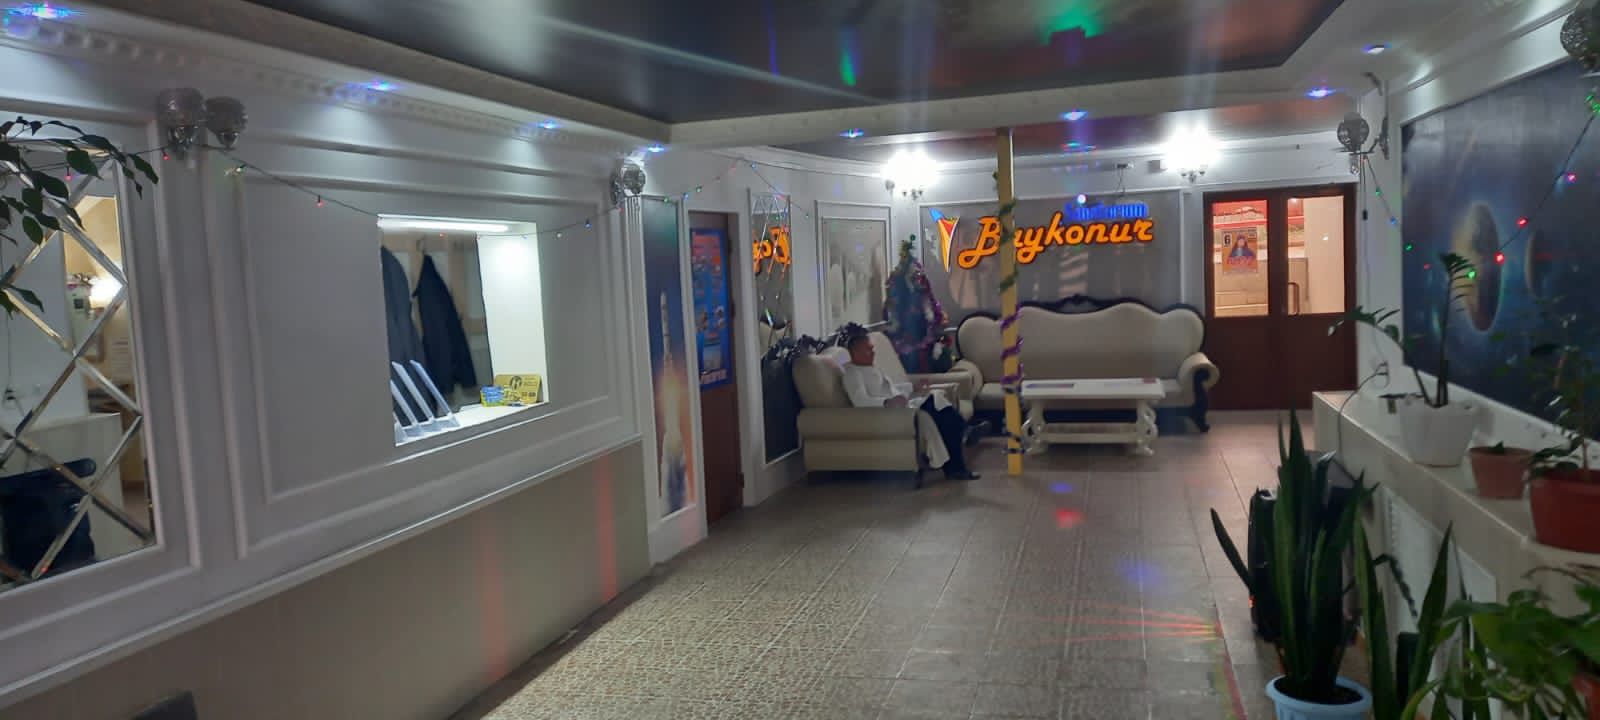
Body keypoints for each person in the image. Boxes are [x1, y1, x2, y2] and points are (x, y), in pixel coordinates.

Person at [840, 332, 979, 481]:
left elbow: (892, 389)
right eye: (868, 349)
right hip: (888, 414)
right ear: (855, 352)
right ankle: (963, 437)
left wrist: (914, 387)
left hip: (902, 407)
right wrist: (887, 402)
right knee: (938, 406)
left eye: (872, 348)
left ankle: (957, 463)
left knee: (945, 416)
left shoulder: (872, 367)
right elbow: (860, 401)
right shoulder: (852, 373)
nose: (873, 352)